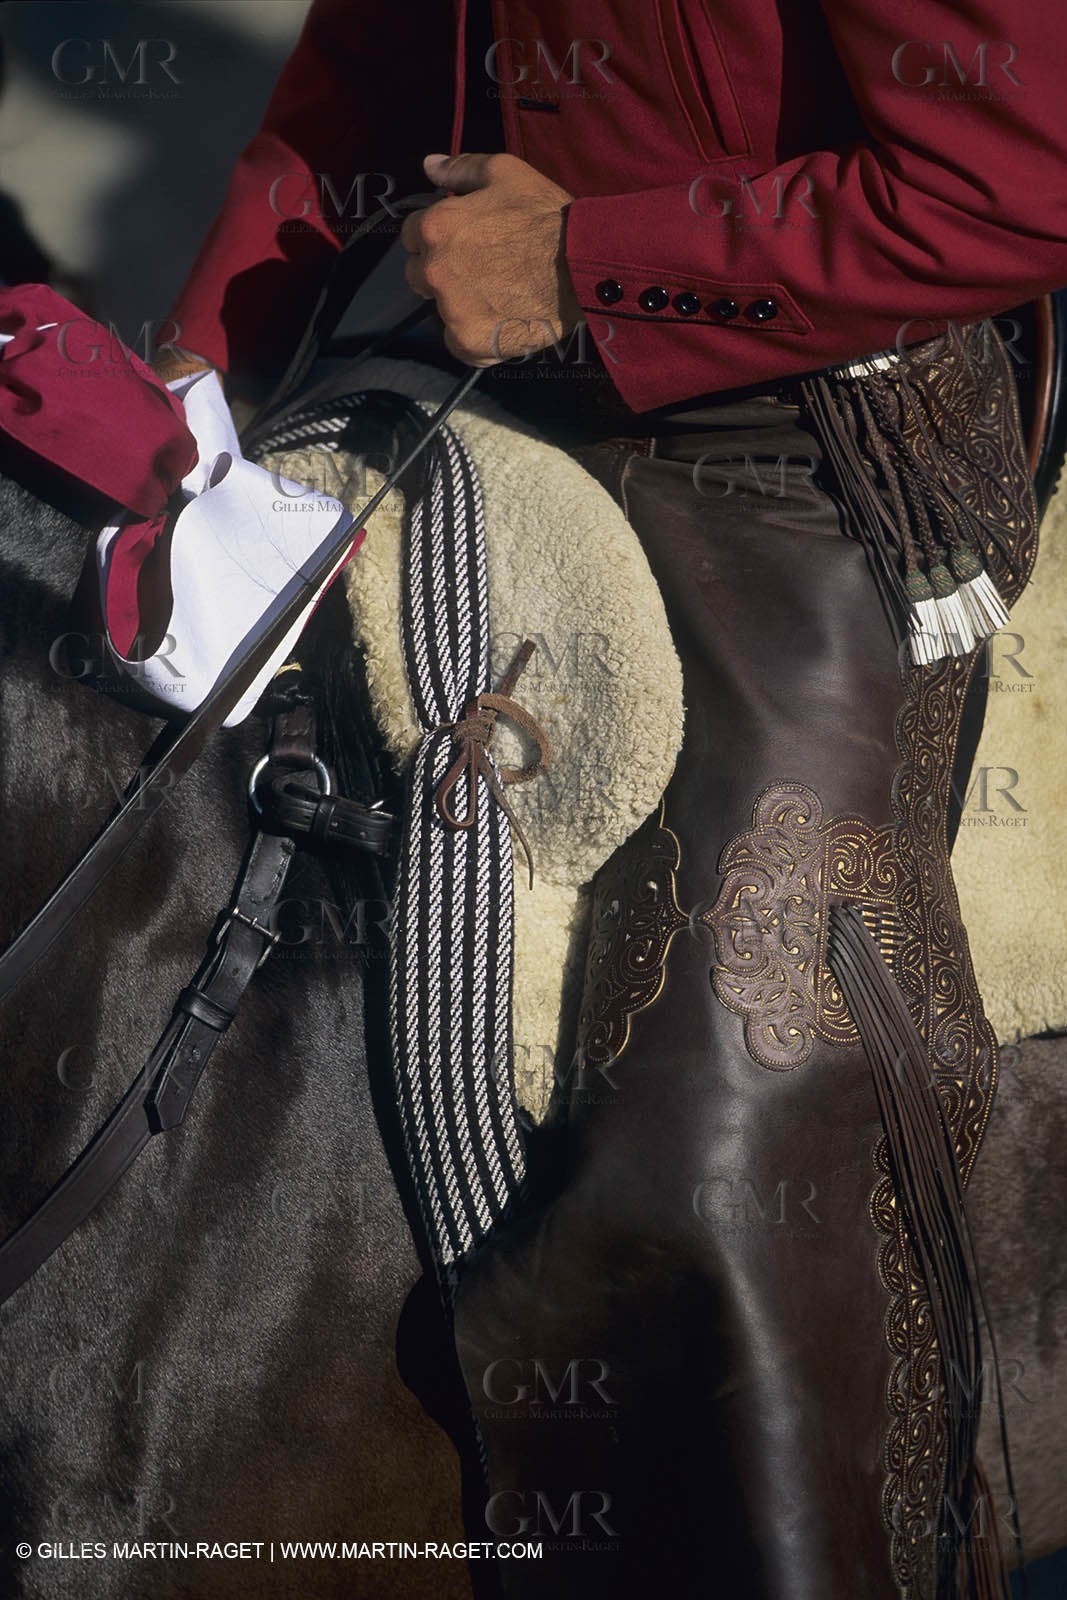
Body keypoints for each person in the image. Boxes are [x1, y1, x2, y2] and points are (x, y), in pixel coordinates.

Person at [160, 4, 1067, 1597]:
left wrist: (591, 263)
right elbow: (373, 58)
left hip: (814, 427)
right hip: (477, 351)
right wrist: (199, 370)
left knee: (736, 1111)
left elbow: (1024, 179)